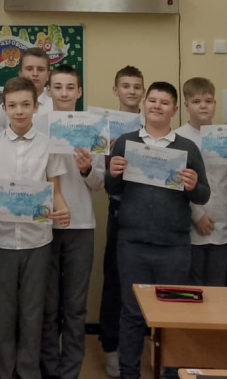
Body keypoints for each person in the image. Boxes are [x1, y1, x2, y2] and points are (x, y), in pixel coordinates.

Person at [107, 81, 209, 379]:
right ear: (144, 104)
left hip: (174, 246)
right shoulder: (126, 142)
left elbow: (203, 195)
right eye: (152, 100)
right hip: (132, 243)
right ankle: (129, 374)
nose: (157, 106)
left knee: (172, 315)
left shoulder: (187, 148)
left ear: (174, 109)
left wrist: (193, 185)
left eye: (164, 103)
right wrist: (112, 173)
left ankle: (171, 373)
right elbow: (112, 189)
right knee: (131, 314)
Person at [0, 77, 70, 379]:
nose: (19, 111)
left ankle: (28, 372)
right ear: (3, 108)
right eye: (13, 105)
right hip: (0, 240)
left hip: (37, 241)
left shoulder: (49, 146)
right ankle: (4, 372)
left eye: (25, 105)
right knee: (3, 314)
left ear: (35, 106)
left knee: (33, 312)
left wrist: (63, 209)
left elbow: (55, 191)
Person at [41, 66, 104, 379]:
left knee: (75, 306)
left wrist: (86, 169)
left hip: (80, 226)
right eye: (58, 87)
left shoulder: (93, 128)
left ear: (79, 92)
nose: (64, 93)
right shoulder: (37, 125)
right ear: (48, 90)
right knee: (48, 305)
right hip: (44, 225)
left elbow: (100, 183)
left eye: (70, 87)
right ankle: (49, 368)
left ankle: (70, 371)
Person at [100, 65, 145, 377]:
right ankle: (112, 348)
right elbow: (101, 177)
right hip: (120, 209)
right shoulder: (102, 126)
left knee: (144, 285)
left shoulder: (154, 123)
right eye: (125, 86)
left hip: (151, 213)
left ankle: (141, 347)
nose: (131, 91)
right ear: (115, 90)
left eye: (136, 86)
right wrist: (107, 153)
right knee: (114, 281)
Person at [175, 77, 227, 286]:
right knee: (194, 289)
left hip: (222, 224)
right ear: (186, 105)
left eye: (208, 101)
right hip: (191, 227)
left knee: (218, 288)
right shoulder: (177, 138)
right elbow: (175, 185)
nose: (203, 106)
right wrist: (197, 215)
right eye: (196, 101)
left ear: (215, 104)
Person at [0, 47, 54, 131]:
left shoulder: (55, 105)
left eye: (40, 69)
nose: (35, 74)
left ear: (48, 75)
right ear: (20, 73)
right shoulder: (6, 106)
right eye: (29, 69)